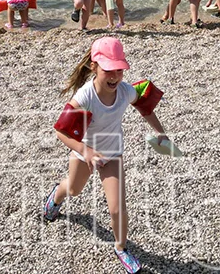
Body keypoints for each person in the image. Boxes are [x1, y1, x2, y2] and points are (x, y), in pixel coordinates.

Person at [41, 37, 172, 274]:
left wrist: (160, 132)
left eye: (119, 70)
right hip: (84, 152)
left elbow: (145, 107)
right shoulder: (85, 96)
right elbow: (61, 131)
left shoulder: (125, 91)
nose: (115, 76)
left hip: (112, 153)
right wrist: (86, 152)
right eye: (108, 70)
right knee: (73, 189)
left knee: (117, 208)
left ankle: (121, 248)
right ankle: (56, 197)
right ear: (94, 67)